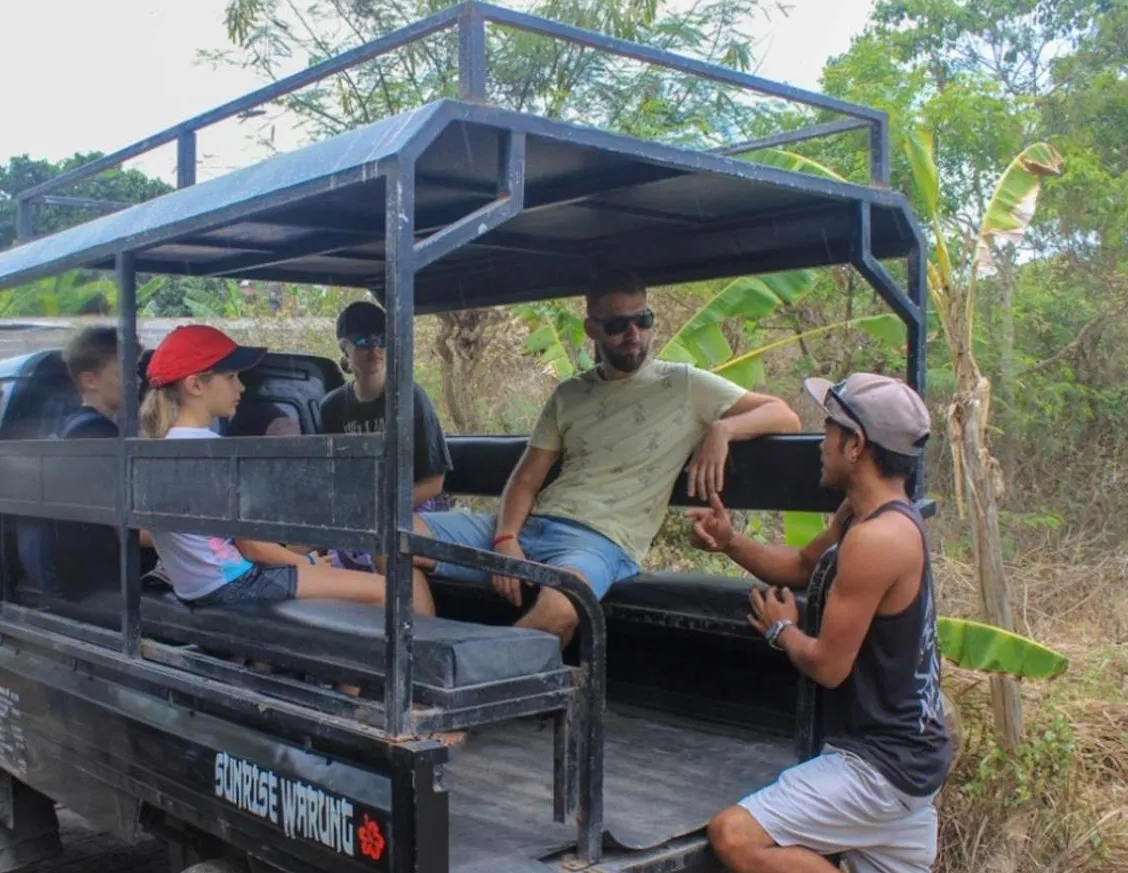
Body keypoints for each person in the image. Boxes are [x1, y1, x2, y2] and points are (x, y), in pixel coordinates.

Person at [695, 373, 954, 873]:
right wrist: (731, 541)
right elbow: (801, 567)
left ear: (857, 446)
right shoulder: (866, 517)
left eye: (830, 431)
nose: (820, 443)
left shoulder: (878, 541)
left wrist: (783, 632)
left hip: (877, 764)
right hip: (911, 760)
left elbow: (830, 665)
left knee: (735, 835)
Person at [415, 271, 801, 645]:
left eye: (643, 320)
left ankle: (470, 680)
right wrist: (505, 537)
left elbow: (784, 415)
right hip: (534, 526)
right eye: (618, 324)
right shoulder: (570, 394)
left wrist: (722, 430)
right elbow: (527, 479)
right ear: (593, 329)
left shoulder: (684, 384)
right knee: (398, 537)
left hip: (600, 542)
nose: (634, 335)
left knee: (561, 609)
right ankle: (419, 657)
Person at [140, 323, 436, 615]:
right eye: (230, 377)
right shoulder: (214, 452)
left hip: (197, 586)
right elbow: (253, 548)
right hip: (237, 583)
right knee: (385, 591)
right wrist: (307, 564)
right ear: (194, 385)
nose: (240, 386)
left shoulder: (156, 451)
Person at [319, 300, 453, 572]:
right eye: (364, 341)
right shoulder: (331, 407)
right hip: (357, 512)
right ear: (345, 346)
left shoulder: (410, 398)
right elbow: (332, 479)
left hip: (410, 508)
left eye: (383, 339)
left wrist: (379, 510)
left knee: (384, 550)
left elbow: (433, 483)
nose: (376, 349)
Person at [16, 325, 123, 598]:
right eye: (123, 373)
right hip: (98, 579)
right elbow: (127, 527)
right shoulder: (96, 436)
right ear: (90, 380)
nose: (135, 381)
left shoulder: (71, 426)